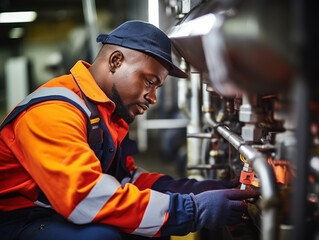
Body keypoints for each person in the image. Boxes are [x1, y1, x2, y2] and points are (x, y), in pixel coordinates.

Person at [0, 20, 259, 240]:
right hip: (18, 219)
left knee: (150, 226)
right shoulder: (54, 112)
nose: (153, 97)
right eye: (149, 81)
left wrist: (197, 190)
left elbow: (126, 178)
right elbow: (85, 199)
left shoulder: (107, 114)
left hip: (53, 210)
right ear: (115, 61)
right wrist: (192, 210)